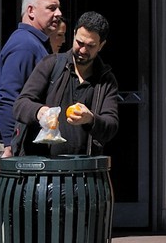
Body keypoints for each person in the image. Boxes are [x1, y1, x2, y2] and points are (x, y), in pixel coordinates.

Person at [12, 11, 118, 157]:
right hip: (43, 164)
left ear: (101, 45)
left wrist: (90, 119)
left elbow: (111, 126)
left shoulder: (106, 80)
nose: (83, 50)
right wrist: (40, 112)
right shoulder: (51, 64)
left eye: (90, 46)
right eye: (80, 43)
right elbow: (20, 105)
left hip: (83, 167)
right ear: (74, 35)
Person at [0, 0, 63, 167]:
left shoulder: (35, 43)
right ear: (31, 11)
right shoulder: (25, 45)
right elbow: (8, 96)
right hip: (17, 146)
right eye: (51, 8)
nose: (58, 13)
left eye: (58, 8)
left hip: (24, 143)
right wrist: (9, 146)